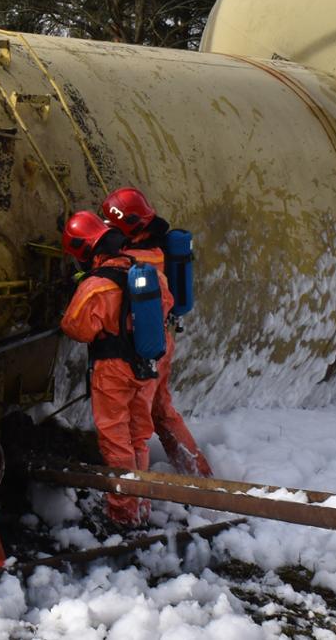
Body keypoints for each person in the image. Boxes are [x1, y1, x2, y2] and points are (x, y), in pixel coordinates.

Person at [100, 187, 214, 478]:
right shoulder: (160, 249)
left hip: (143, 348)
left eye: (113, 224)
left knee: (134, 426)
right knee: (162, 410)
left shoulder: (131, 258)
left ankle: (135, 491)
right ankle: (198, 475)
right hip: (162, 339)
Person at [58, 210, 162, 526]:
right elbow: (166, 305)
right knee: (138, 437)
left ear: (86, 251)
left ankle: (123, 514)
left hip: (113, 370)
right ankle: (141, 506)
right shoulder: (145, 271)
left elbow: (76, 328)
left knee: (116, 441)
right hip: (146, 365)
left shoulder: (96, 286)